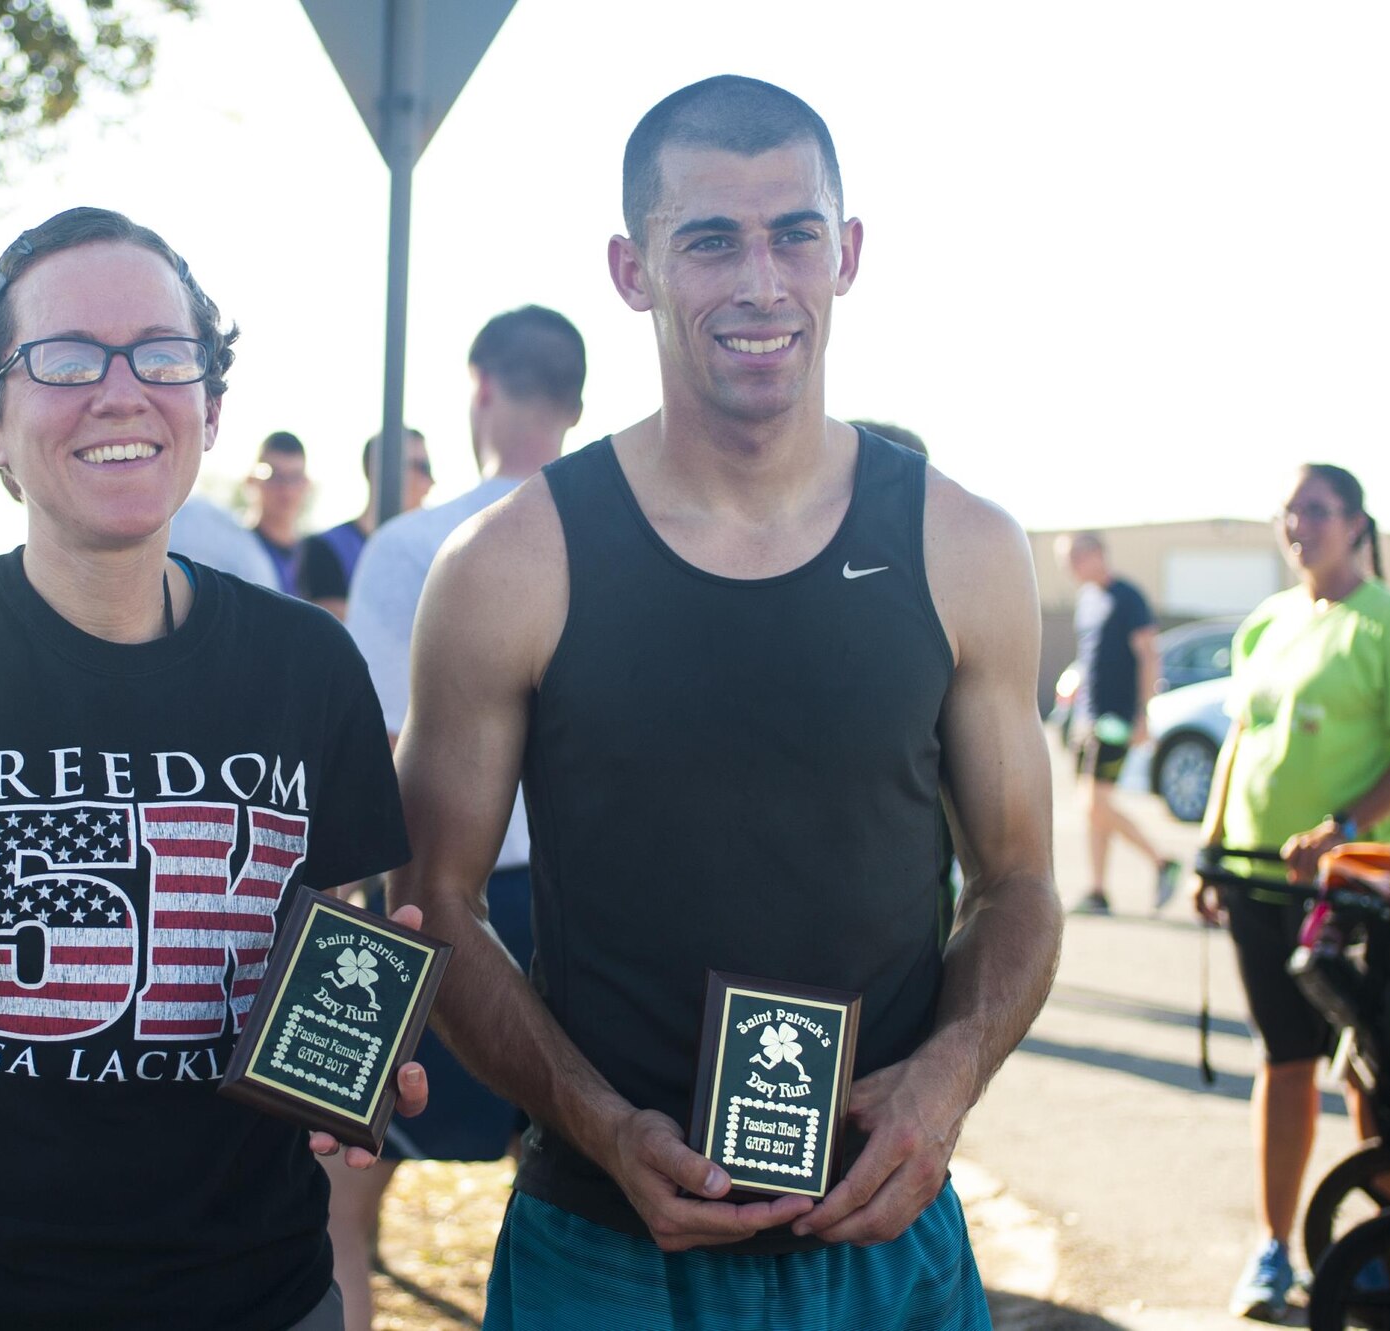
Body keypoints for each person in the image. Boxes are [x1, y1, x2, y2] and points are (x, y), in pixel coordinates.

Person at [388, 76, 1060, 1328]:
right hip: (600, 1246)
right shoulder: (505, 565)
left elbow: (1017, 883)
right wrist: (597, 1124)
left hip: (886, 1242)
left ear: (845, 253)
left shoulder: (961, 544)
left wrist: (946, 1073)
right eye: (707, 239)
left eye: (792, 232)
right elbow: (437, 906)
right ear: (632, 268)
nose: (759, 280)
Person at [0, 207, 426, 1331]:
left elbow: (340, 957)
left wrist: (354, 1069)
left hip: (257, 1300)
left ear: (209, 400)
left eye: (164, 353)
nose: (121, 390)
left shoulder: (308, 666)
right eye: (62, 359)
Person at [330, 304, 585, 1331]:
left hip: (433, 902)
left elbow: (380, 749)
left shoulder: (412, 542)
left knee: (343, 1192)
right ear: (574, 403)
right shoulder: (616, 528)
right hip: (587, 910)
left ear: (479, 385)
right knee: (574, 1193)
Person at [1195, 464, 1390, 1320]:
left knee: (1370, 1071)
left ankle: (1382, 1248)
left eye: (1314, 510)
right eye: (1290, 510)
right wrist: (1210, 847)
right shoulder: (1268, 623)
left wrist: (1346, 822)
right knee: (1284, 1061)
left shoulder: (1387, 622)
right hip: (1255, 879)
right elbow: (1240, 740)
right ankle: (1275, 1249)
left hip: (1354, 890)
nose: (1297, 523)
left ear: (1356, 523)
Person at [1057, 531, 1180, 915]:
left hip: (1116, 719)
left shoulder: (1128, 596)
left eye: (1074, 558)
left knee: (1094, 802)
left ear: (1096, 554)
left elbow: (1148, 656)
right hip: (1086, 718)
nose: (1069, 568)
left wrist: (1144, 713)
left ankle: (1162, 861)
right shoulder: (1086, 601)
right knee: (1095, 808)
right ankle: (1098, 890)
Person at [298, 429, 434, 620]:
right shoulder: (326, 548)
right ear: (382, 470)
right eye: (422, 467)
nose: (431, 480)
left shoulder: (428, 553)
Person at [248, 430, 311, 593]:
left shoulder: (318, 556)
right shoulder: (239, 550)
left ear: (306, 484)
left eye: (295, 477)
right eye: (273, 475)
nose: (285, 489)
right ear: (252, 480)